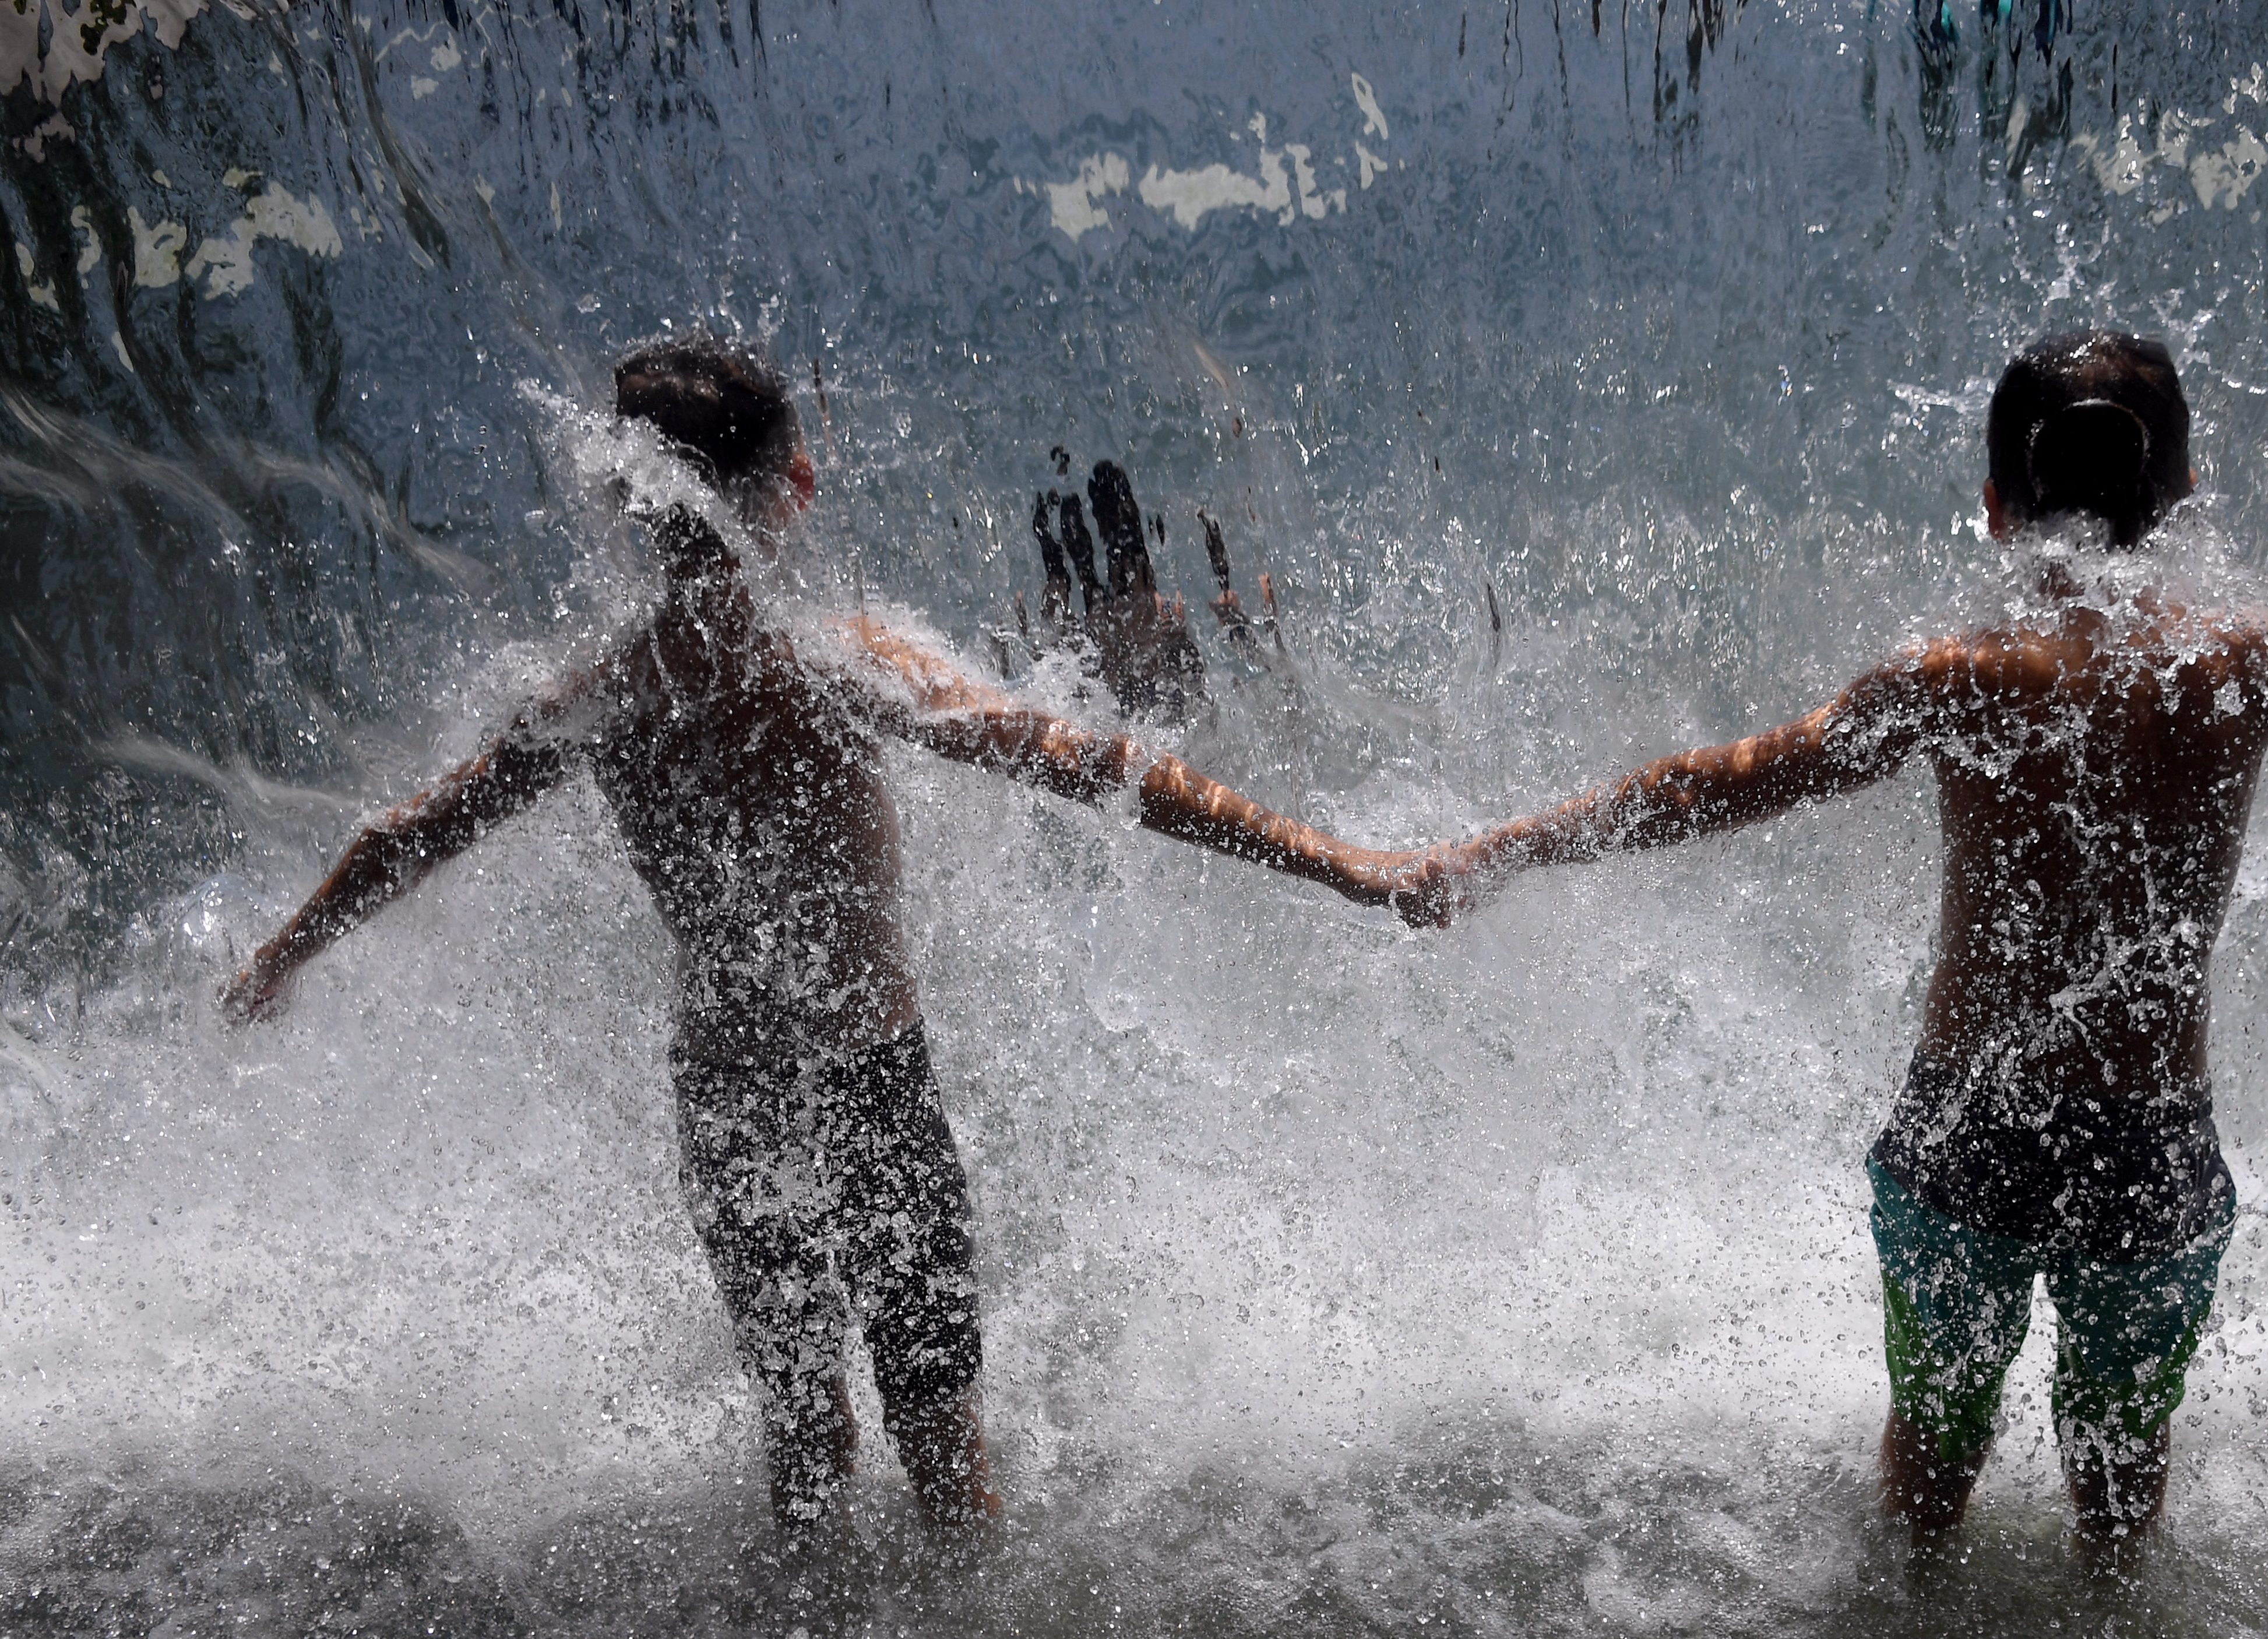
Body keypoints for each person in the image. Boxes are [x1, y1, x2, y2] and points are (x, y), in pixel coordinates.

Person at [1415, 330, 2268, 1545]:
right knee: (2120, 1506)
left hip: (1969, 1131)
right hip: (2147, 1145)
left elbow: (1725, 780)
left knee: (1922, 1493)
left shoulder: (1958, 679)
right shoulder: (2240, 660)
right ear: (2182, 494)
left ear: (1992, 508)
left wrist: (1499, 851)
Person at [220, 337, 1432, 1534]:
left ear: (635, 502)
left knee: (803, 1449)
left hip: (725, 1096)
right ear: (795, 484)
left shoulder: (606, 686)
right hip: (870, 1082)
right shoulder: (845, 662)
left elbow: (410, 833)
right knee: (943, 1449)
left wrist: (282, 954)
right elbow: (1104, 770)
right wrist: (1338, 864)